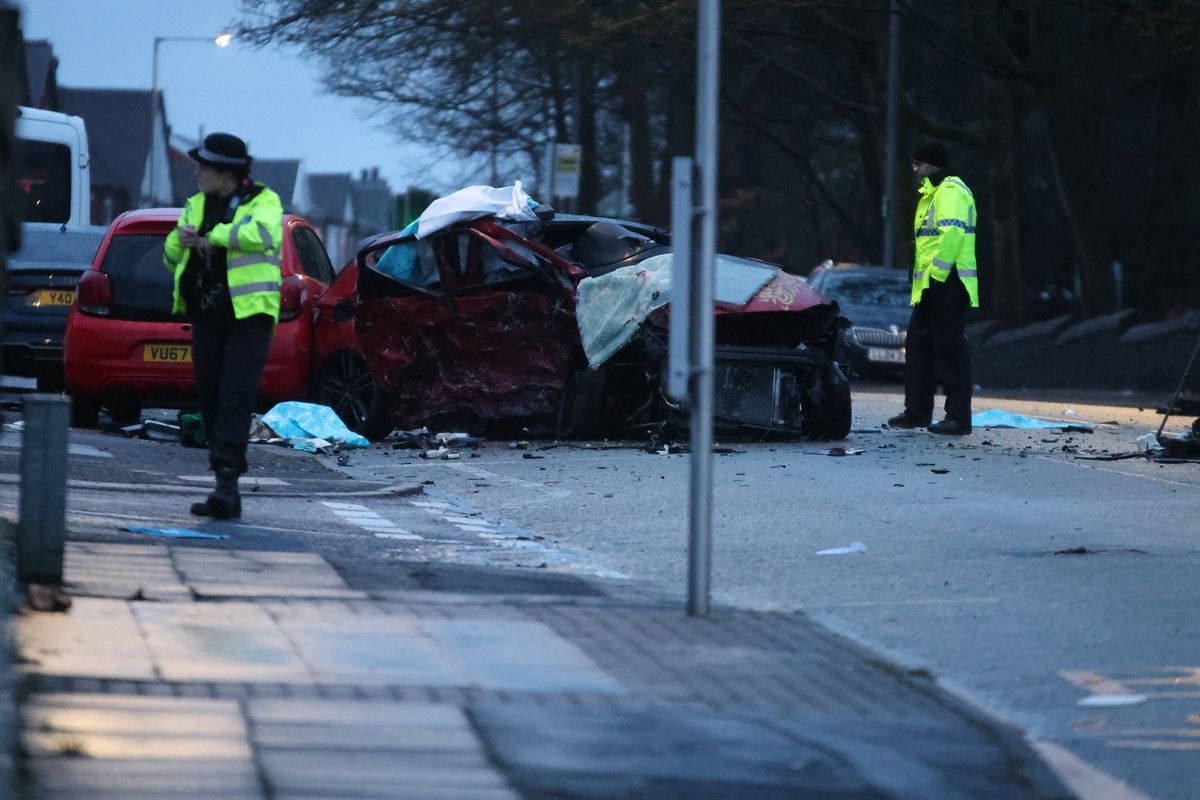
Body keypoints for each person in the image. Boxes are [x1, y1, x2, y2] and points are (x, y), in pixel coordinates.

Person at [163, 133, 283, 519]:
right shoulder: (195, 204)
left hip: (249, 316)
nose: (197, 173)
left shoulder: (263, 200)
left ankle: (227, 486)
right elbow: (170, 255)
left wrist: (213, 238)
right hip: (208, 315)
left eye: (204, 167)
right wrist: (180, 242)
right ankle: (223, 485)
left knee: (236, 398)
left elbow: (262, 234)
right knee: (210, 399)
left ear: (225, 173)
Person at [887, 140, 978, 435]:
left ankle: (958, 418)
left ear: (933, 163)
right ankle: (917, 412)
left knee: (950, 349)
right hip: (933, 286)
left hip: (948, 283)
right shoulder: (933, 193)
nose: (914, 169)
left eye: (918, 163)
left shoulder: (950, 190)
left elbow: (951, 236)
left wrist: (937, 277)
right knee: (918, 346)